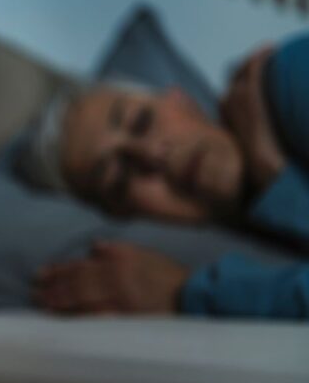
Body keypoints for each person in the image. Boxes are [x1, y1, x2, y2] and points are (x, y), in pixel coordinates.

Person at [29, 34, 309, 319]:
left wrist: (183, 292)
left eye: (142, 122)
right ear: (124, 214)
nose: (151, 154)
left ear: (180, 100)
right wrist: (275, 181)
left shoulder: (286, 80)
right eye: (119, 177)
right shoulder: (263, 222)